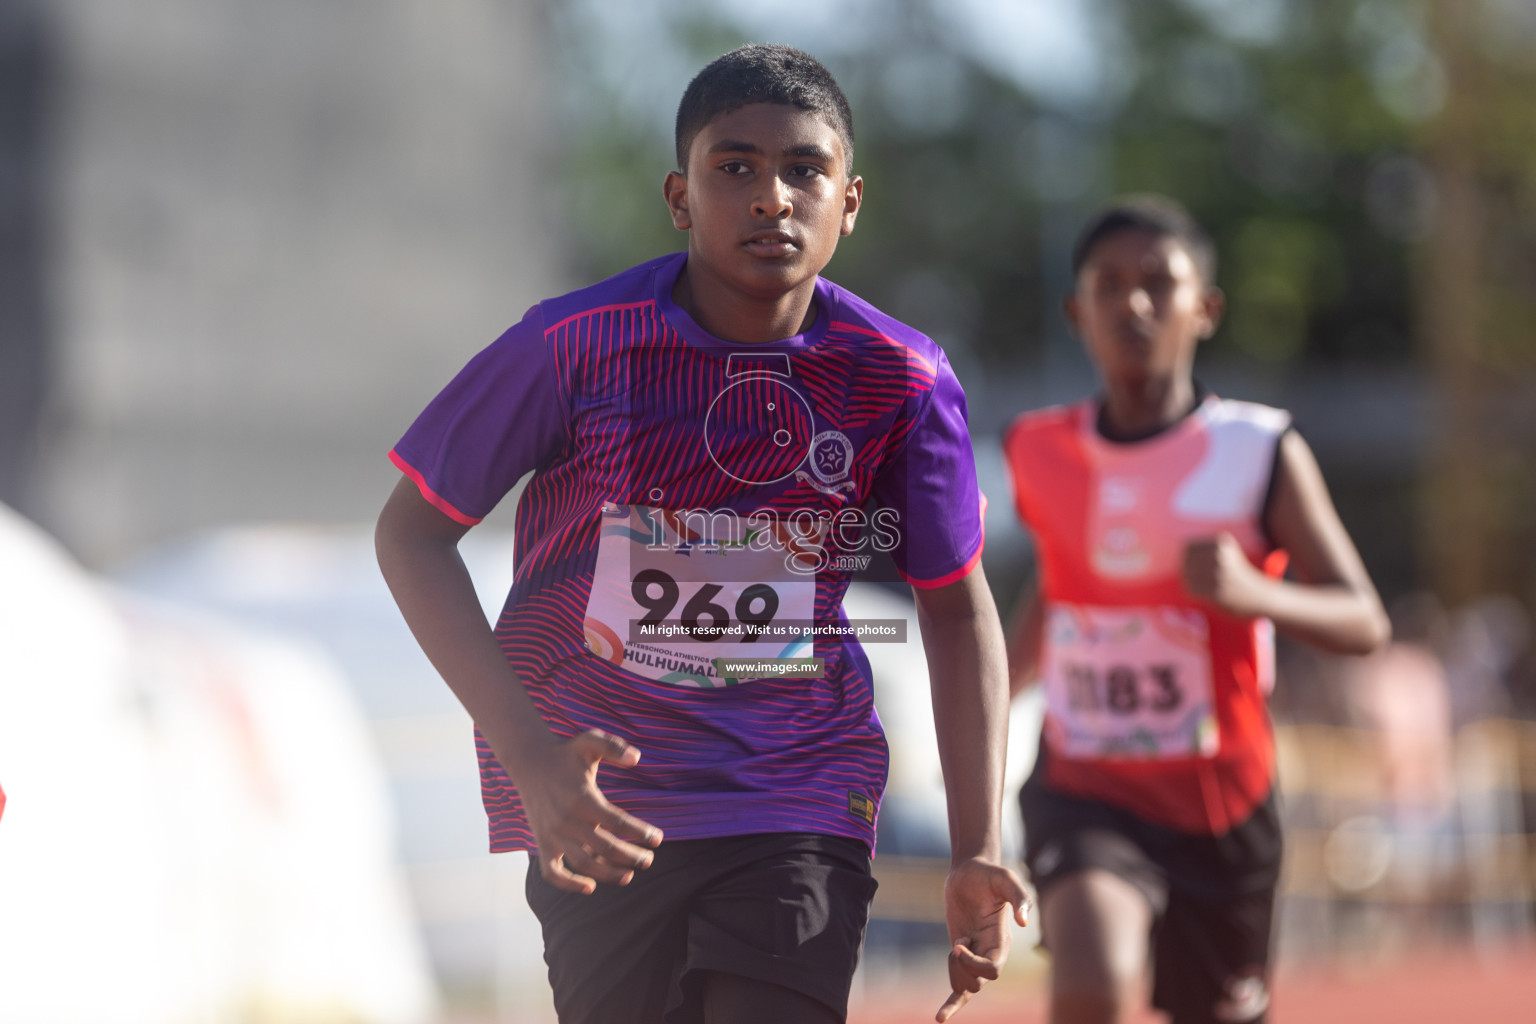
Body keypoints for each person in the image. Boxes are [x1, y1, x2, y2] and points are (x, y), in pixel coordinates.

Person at [376, 44, 1027, 1024]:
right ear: (681, 198)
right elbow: (411, 537)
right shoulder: (571, 347)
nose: (772, 196)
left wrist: (978, 842)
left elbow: (956, 604)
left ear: (849, 201)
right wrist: (533, 758)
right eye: (737, 167)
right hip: (602, 805)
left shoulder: (902, 377)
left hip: (799, 793)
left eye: (805, 169)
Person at [1002, 196, 1390, 1024]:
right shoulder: (1038, 449)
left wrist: (1256, 594)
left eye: (1158, 283)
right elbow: (1058, 591)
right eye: (1108, 285)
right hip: (1085, 785)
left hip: (1222, 806)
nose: (1133, 304)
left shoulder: (1260, 449)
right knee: (1091, 982)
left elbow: (1366, 620)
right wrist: (988, 702)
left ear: (1205, 309)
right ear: (1078, 311)